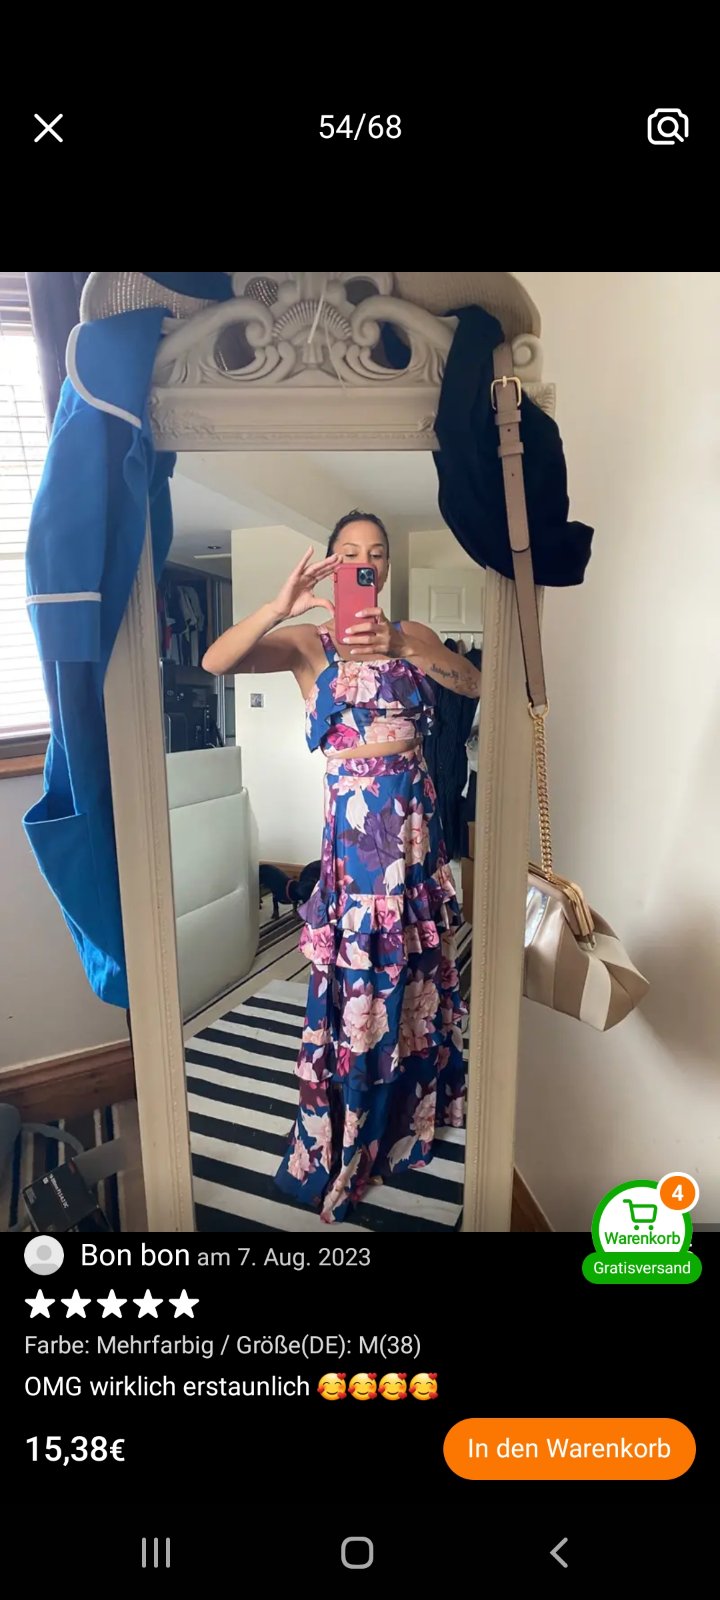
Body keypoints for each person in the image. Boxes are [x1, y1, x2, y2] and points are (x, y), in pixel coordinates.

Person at [202, 511, 482, 1223]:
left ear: (383, 568)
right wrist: (278, 605)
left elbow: (473, 683)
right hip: (356, 848)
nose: (365, 562)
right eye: (350, 552)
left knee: (414, 972)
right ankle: (353, 1122)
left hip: (415, 834)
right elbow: (215, 662)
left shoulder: (411, 634)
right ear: (331, 565)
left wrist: (403, 647)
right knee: (360, 983)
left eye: (375, 553)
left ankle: (410, 1108)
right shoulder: (308, 644)